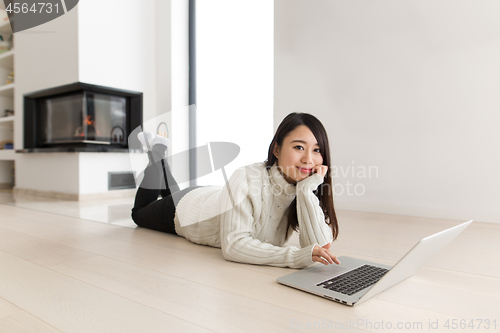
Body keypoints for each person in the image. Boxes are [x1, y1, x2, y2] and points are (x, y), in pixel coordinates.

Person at [131, 112, 340, 268]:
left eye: (317, 150)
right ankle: (157, 151)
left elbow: (320, 247)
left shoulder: (301, 185)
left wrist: (306, 191)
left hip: (211, 197)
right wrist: (293, 257)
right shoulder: (247, 177)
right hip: (186, 210)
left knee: (169, 193)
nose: (308, 159)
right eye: (298, 147)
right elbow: (233, 246)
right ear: (276, 149)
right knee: (140, 213)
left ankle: (157, 151)